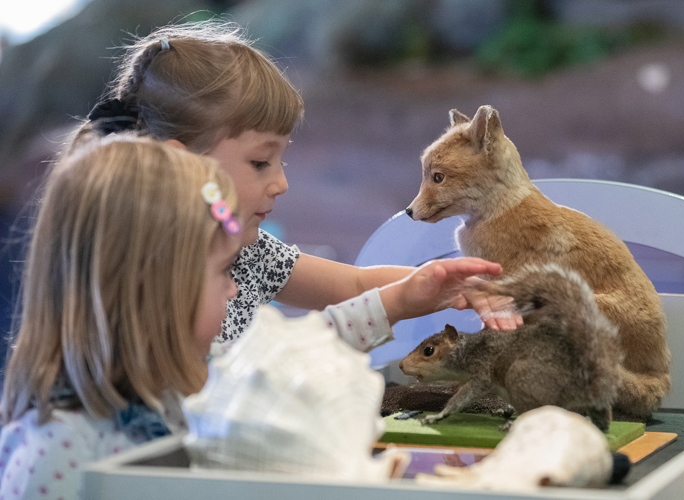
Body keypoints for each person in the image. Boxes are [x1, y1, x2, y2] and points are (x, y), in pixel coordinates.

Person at [0, 135, 513, 498]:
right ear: (152, 287)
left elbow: (288, 364)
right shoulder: (56, 454)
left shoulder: (192, 387)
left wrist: (404, 299)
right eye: (224, 272)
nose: (235, 288)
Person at [75, 20, 520, 346]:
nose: (281, 183)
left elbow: (355, 286)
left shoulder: (241, 248)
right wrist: (400, 301)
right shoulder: (136, 278)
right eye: (260, 162)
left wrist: (439, 285)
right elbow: (260, 373)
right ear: (181, 161)